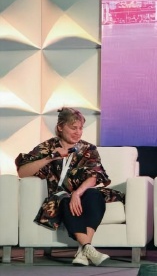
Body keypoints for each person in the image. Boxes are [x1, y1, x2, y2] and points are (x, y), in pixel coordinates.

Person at [16, 107, 123, 266]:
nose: (78, 132)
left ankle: (84, 250)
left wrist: (77, 193)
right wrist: (51, 157)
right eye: (73, 128)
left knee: (95, 195)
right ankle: (87, 248)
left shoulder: (88, 149)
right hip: (59, 196)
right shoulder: (48, 147)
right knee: (64, 200)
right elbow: (22, 172)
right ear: (60, 127)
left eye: (80, 128)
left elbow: (94, 176)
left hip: (83, 192)